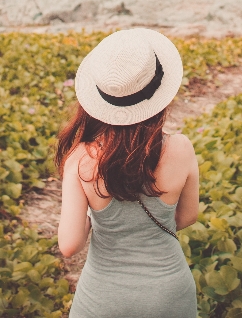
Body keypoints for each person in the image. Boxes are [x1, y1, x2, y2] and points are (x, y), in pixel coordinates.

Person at [55, 28, 199, 318]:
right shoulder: (182, 149)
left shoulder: (81, 159)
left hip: (103, 298)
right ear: (160, 95)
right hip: (169, 292)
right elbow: (186, 217)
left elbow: (69, 246)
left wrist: (96, 217)